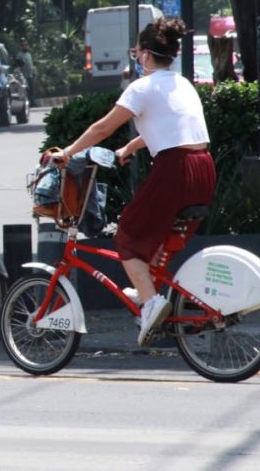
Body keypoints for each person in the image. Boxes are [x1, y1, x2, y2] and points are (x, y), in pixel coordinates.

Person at [49, 18, 215, 346]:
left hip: (175, 169)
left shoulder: (141, 87)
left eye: (137, 52)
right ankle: (148, 293)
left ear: (144, 55)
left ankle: (151, 302)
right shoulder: (182, 84)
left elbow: (101, 128)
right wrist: (130, 146)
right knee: (160, 236)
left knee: (128, 233)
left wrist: (67, 152)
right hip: (203, 169)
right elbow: (173, 127)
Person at [17, 39, 36, 106]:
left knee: (31, 90)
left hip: (30, 75)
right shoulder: (20, 55)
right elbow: (19, 66)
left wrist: (33, 71)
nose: (25, 47)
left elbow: (31, 64)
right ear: (21, 47)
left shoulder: (29, 54)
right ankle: (27, 103)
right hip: (23, 76)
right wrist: (20, 75)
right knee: (26, 90)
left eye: (26, 45)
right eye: (24, 46)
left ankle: (33, 102)